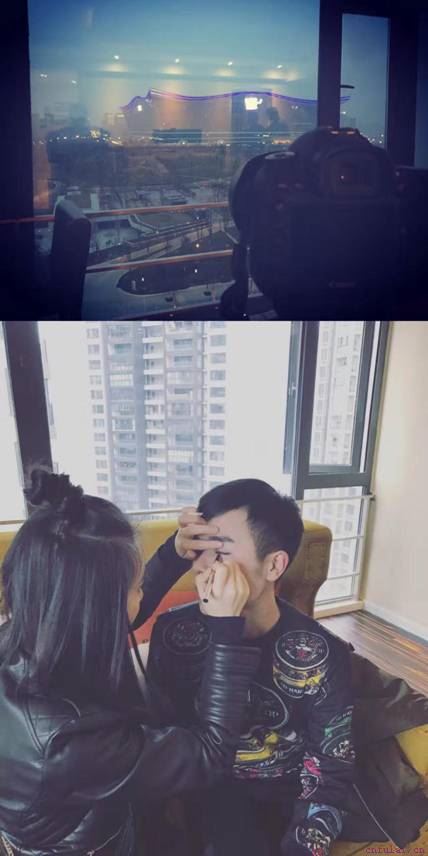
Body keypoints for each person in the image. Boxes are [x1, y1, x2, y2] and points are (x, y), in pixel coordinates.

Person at [0, 469, 260, 856]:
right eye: (137, 587)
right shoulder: (67, 742)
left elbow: (109, 615)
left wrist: (173, 554)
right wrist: (225, 631)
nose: (141, 594)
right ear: (99, 607)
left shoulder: (29, 632)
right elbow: (209, 756)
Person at [146, 479, 356, 856]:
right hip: (204, 792)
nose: (203, 567)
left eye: (220, 551)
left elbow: (328, 774)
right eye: (199, 549)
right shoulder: (174, 633)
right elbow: (163, 736)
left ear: (274, 565)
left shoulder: (323, 654)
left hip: (281, 793)